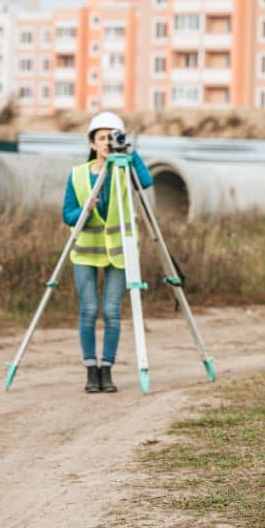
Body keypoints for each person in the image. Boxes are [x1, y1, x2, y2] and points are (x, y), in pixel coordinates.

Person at [62, 111, 153, 394]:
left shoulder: (124, 171)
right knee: (89, 309)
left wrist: (130, 152)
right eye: (101, 138)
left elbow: (146, 182)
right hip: (86, 252)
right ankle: (91, 369)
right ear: (92, 143)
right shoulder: (77, 174)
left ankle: (107, 369)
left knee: (112, 311)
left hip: (118, 251)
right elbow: (67, 215)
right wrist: (84, 210)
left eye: (112, 137)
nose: (106, 143)